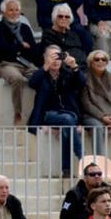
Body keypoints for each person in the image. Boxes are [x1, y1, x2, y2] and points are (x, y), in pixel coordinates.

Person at [28, 45, 84, 176]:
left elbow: (82, 83)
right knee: (67, 121)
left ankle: (66, 170)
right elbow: (32, 83)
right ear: (45, 58)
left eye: (59, 57)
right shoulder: (41, 74)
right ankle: (82, 156)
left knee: (67, 125)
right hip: (48, 115)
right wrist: (45, 67)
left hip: (70, 114)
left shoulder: (67, 73)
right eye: (52, 57)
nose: (56, 60)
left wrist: (74, 66)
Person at [0, 0, 39, 124]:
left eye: (17, 10)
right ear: (3, 13)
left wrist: (18, 49)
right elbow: (2, 50)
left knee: (43, 76)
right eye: (11, 10)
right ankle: (17, 113)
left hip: (26, 64)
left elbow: (33, 49)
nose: (14, 13)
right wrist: (21, 45)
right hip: (5, 64)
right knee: (18, 79)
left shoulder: (25, 28)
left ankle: (39, 112)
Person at [40, 3, 92, 72]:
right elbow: (54, 55)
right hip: (63, 69)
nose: (63, 19)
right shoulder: (48, 34)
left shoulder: (73, 34)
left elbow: (80, 51)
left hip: (80, 66)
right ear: (55, 18)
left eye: (67, 17)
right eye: (60, 16)